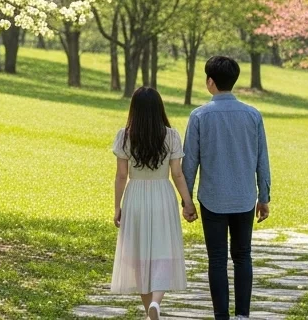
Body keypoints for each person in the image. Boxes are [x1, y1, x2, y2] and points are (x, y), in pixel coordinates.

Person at [182, 56, 272, 320]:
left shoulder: (199, 116)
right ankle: (243, 315)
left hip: (212, 199)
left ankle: (221, 315)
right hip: (245, 198)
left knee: (218, 259)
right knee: (243, 256)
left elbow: (190, 162)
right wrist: (263, 197)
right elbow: (261, 159)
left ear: (210, 81)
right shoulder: (253, 115)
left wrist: (186, 202)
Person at [111, 86, 195, 320]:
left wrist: (117, 206)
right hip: (162, 196)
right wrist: (187, 203)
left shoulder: (125, 136)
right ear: (159, 108)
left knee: (139, 254)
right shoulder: (171, 135)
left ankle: (150, 309)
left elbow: (121, 175)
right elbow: (177, 174)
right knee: (163, 252)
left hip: (135, 196)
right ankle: (155, 305)